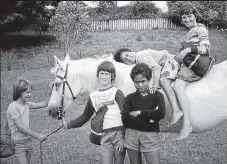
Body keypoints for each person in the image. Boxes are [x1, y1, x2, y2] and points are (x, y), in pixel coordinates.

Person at [62, 61, 126, 164]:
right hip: (104, 135)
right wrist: (68, 125)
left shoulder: (117, 92)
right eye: (101, 73)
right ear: (97, 75)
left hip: (118, 133)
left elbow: (125, 114)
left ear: (112, 76)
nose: (104, 76)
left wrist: (123, 137)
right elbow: (85, 117)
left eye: (107, 74)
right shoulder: (93, 95)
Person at [114, 48, 182, 127]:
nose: (128, 58)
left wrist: (154, 85)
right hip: (166, 63)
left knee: (163, 81)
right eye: (125, 60)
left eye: (127, 55)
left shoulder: (140, 56)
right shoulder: (138, 61)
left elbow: (156, 68)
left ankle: (176, 110)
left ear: (132, 51)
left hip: (171, 61)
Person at [173, 3, 212, 140]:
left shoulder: (200, 28)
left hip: (194, 66)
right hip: (188, 63)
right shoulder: (190, 31)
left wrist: (187, 50)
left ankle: (187, 124)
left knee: (178, 86)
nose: (187, 19)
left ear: (195, 15)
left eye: (189, 16)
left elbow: (205, 48)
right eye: (184, 17)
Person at [122, 63, 166, 164]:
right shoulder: (129, 98)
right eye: (137, 82)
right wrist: (151, 116)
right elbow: (125, 118)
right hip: (131, 135)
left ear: (149, 79)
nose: (140, 85)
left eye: (143, 81)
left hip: (149, 135)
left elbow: (161, 113)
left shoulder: (157, 96)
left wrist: (139, 112)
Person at [7, 78, 48, 164]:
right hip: (19, 143)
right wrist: (38, 135)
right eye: (27, 92)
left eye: (31, 92)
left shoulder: (27, 105)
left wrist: (53, 90)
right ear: (19, 93)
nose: (30, 94)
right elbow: (20, 127)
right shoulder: (13, 107)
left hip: (28, 141)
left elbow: (44, 103)